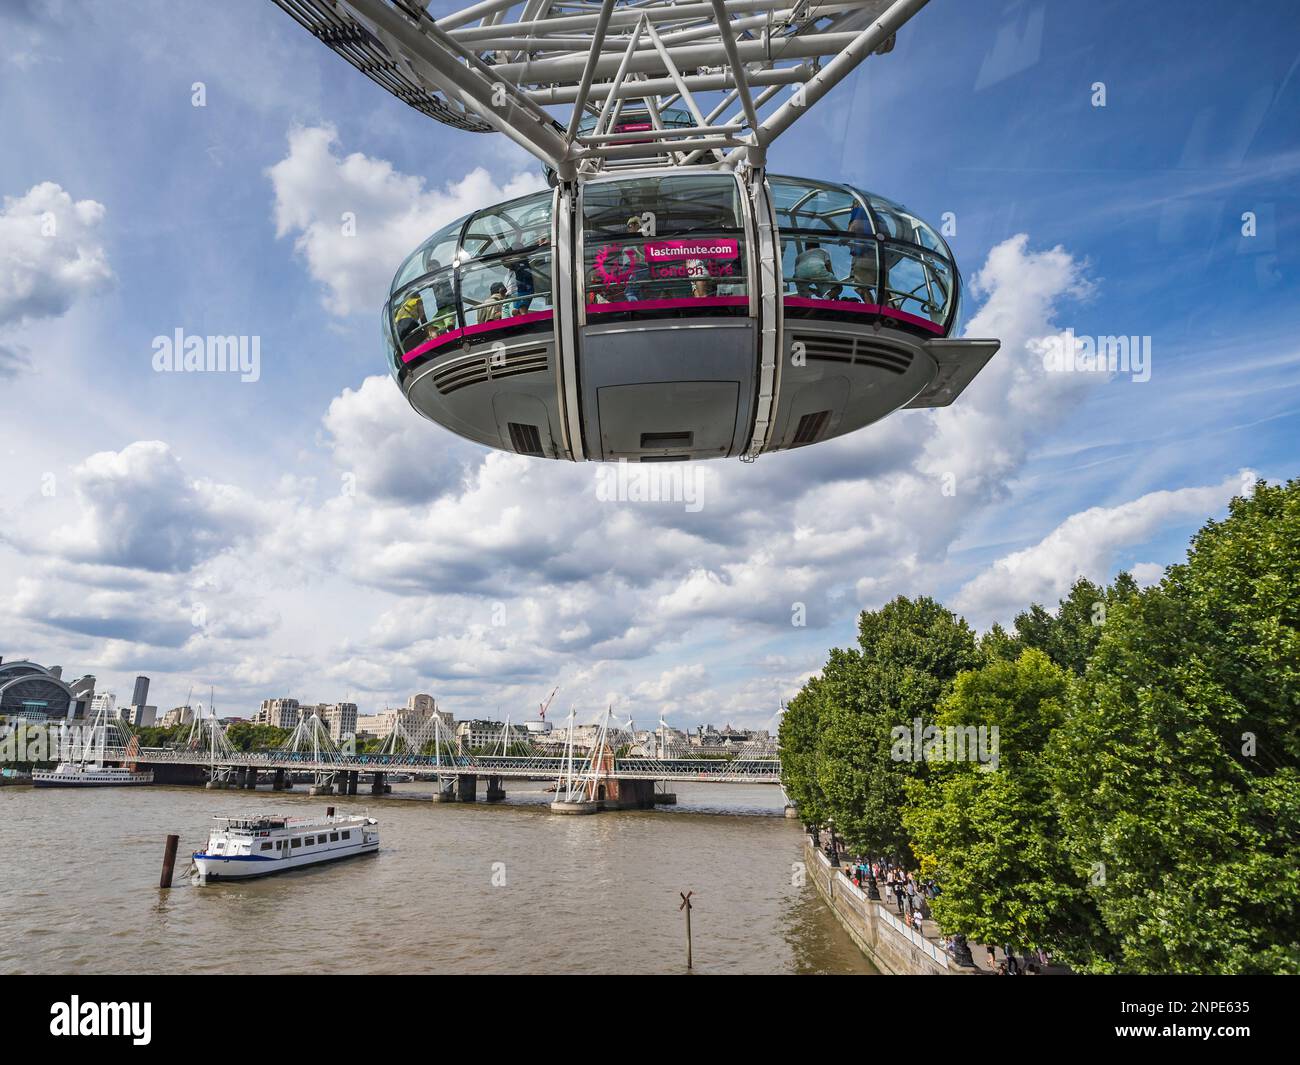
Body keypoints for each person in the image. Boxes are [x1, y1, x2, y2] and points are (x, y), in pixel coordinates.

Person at [846, 200, 877, 303]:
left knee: (860, 287)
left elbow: (854, 227)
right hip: (878, 255)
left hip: (863, 255)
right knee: (881, 285)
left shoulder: (857, 212)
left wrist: (844, 239)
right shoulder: (876, 216)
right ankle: (885, 309)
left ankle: (871, 308)